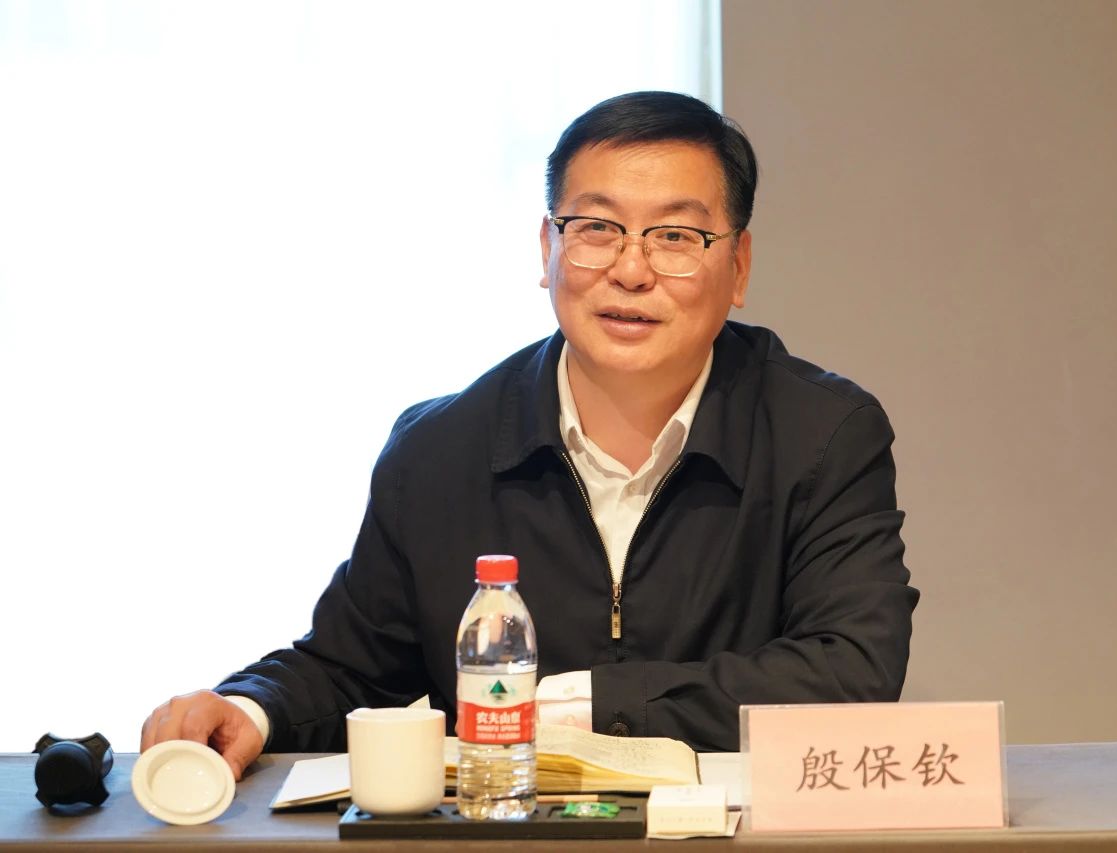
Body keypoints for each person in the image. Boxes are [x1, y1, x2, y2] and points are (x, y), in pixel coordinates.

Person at [141, 91, 918, 779]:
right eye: (596, 228)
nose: (632, 269)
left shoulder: (822, 434)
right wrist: (251, 706)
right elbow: (353, 665)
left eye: (676, 236)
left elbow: (849, 670)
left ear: (739, 266)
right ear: (547, 248)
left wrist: (581, 705)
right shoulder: (438, 450)